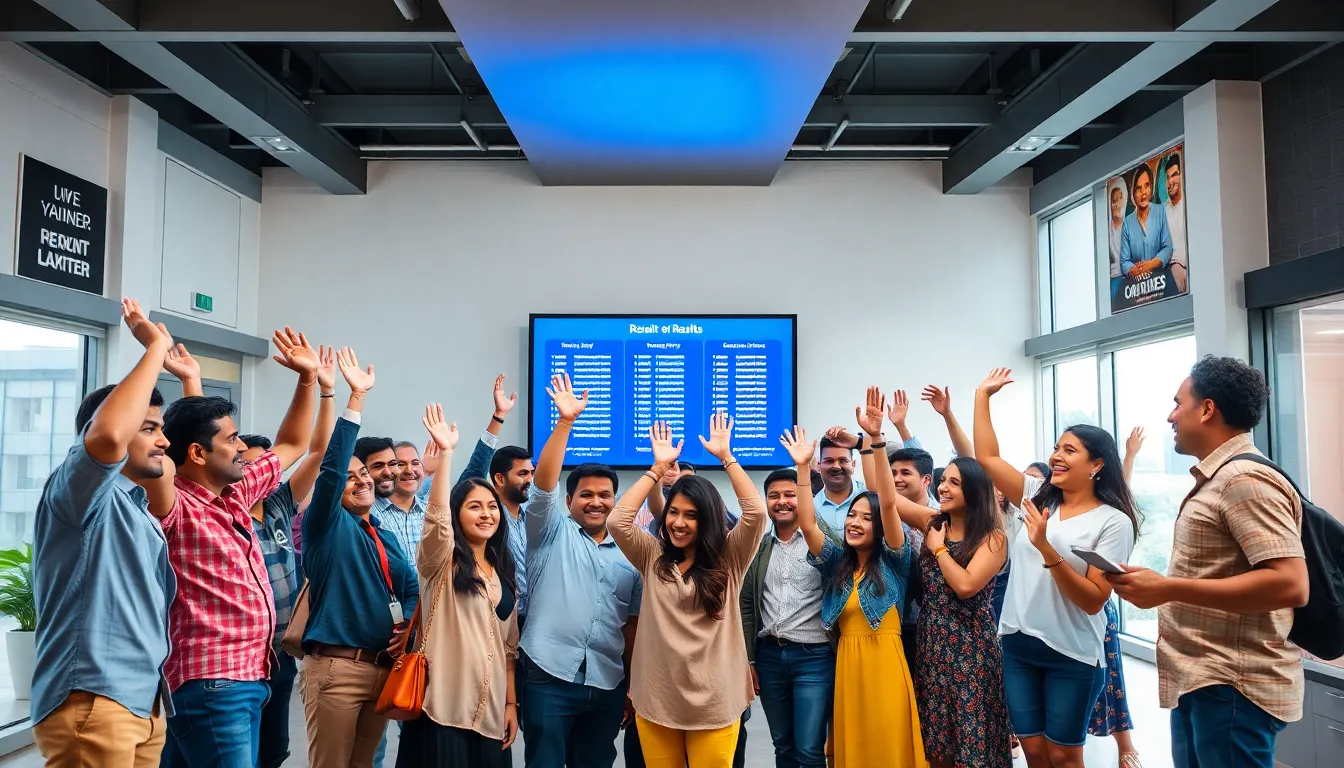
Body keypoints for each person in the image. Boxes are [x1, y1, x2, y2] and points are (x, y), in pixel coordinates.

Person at [1109, 356, 1308, 768]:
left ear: (1207, 409)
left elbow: (1290, 584)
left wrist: (1167, 588)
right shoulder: (1219, 478)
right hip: (1204, 679)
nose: (1171, 416)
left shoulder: (1243, 480)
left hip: (1232, 685)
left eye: (1178, 403)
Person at [153, 327, 320, 768]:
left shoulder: (237, 493)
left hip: (250, 675)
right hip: (215, 681)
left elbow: (293, 443)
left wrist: (307, 379)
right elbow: (167, 456)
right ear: (197, 454)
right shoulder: (176, 506)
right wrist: (154, 356)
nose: (243, 447)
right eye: (232, 440)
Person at [30, 298, 177, 767]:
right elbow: (109, 436)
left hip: (142, 702)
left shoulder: (135, 504)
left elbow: (170, 475)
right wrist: (155, 349)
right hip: (94, 698)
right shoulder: (77, 491)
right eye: (149, 428)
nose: (163, 440)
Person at [973, 368, 1139, 768]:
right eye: (1056, 448)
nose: (1056, 457)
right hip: (1018, 644)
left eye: (1069, 450)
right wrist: (982, 396)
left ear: (1096, 464)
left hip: (1072, 652)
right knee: (1034, 753)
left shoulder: (1113, 521)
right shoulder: (1037, 495)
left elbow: (1094, 600)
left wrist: (1046, 548)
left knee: (1063, 757)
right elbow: (988, 458)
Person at [607, 416, 767, 768]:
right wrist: (656, 469)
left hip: (715, 703)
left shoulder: (730, 557)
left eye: (691, 515)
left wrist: (727, 457)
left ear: (707, 519)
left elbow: (756, 513)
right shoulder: (652, 556)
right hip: (657, 699)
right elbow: (617, 521)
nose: (678, 523)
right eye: (673, 513)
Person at [784, 402, 925, 767]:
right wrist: (803, 469)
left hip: (885, 664)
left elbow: (889, 504)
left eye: (865, 517)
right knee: (855, 748)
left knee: (887, 747)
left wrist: (874, 440)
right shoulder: (838, 564)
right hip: (847, 665)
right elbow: (808, 524)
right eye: (851, 516)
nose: (855, 522)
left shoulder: (895, 561)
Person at [298, 347, 420, 768]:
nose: (361, 481)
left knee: (365, 765)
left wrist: (406, 622)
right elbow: (331, 470)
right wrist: (354, 399)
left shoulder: (384, 534)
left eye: (363, 474)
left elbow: (410, 587)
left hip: (382, 667)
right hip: (337, 669)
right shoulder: (326, 524)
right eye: (351, 478)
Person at [520, 372, 642, 768]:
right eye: (585, 494)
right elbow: (542, 485)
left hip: (607, 681)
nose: (596, 502)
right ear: (569, 500)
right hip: (548, 674)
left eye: (605, 495)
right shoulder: (549, 531)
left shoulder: (632, 553)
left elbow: (631, 626)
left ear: (615, 500)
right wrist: (565, 422)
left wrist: (630, 687)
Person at [397, 404, 519, 766]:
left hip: (491, 711)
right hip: (443, 709)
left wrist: (511, 704)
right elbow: (436, 520)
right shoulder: (440, 562)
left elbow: (508, 650)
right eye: (474, 507)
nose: (486, 514)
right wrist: (446, 455)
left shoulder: (502, 570)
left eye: (492, 507)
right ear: (457, 514)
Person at [740, 467, 837, 768]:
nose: (782, 501)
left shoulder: (822, 541)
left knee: (809, 748)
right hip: (769, 658)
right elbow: (746, 604)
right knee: (783, 746)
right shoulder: (759, 547)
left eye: (790, 495)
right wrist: (750, 659)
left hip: (814, 658)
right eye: (774, 496)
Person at [1086, 428, 1147, 768]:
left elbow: (1120, 491)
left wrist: (1130, 456)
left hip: (1098, 607)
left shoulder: (1112, 516)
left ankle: (1125, 744)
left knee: (1111, 679)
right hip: (1061, 609)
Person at [813, 389, 923, 531]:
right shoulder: (811, 507)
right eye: (829, 461)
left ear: (853, 464)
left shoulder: (874, 492)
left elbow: (920, 462)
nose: (836, 466)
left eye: (843, 460)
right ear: (818, 465)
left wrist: (860, 442)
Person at [1119, 164, 1173, 283]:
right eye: (1138, 188)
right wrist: (1135, 270)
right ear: (1133, 192)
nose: (1143, 193)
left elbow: (1167, 248)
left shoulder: (1160, 211)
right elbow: (1124, 261)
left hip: (1160, 279)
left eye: (1147, 186)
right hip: (1137, 284)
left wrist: (1150, 265)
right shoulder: (1128, 223)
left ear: (1151, 187)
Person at [1164, 152, 1187, 294]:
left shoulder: (1189, 204)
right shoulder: (1162, 212)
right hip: (1172, 271)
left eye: (1174, 175)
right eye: (1167, 177)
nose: (1170, 181)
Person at [1107, 179, 1128, 301]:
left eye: (1120, 199)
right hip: (1113, 277)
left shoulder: (1128, 226)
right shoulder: (1106, 229)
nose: (1117, 205)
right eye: (1114, 201)